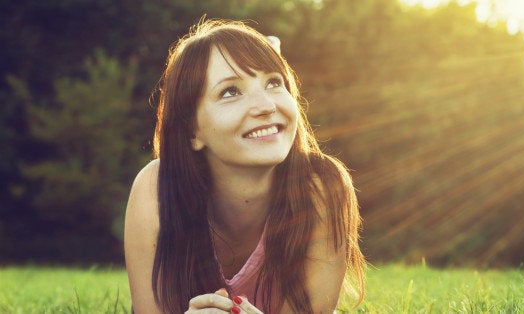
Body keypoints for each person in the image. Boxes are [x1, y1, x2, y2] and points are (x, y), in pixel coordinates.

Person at [124, 19, 366, 314]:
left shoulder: (322, 187)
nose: (266, 106)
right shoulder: (155, 188)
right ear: (192, 131)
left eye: (274, 83)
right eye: (230, 92)